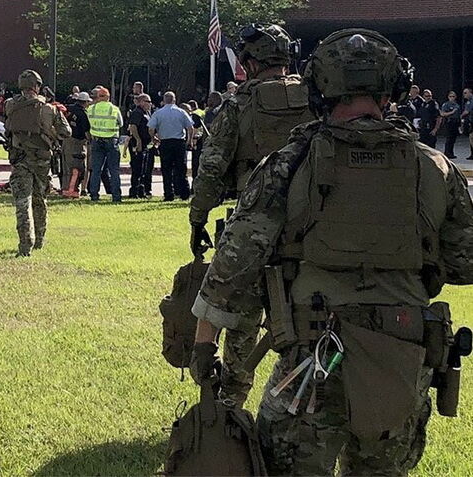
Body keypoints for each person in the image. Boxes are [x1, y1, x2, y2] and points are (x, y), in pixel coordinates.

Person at [190, 29, 473, 475]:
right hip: (401, 358)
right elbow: (463, 263)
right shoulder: (435, 167)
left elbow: (233, 264)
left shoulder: (289, 164)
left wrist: (204, 345)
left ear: (319, 87)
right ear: (393, 89)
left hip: (313, 359)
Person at [188, 24, 313, 406]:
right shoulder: (315, 98)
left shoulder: (239, 104)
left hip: (254, 222)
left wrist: (198, 217)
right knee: (309, 318)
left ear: (251, 62)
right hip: (312, 226)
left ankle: (231, 403)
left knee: (241, 318)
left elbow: (212, 167)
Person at [4, 70, 70, 256]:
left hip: (20, 159)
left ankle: (25, 244)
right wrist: (50, 133)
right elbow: (66, 132)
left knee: (22, 202)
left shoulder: (10, 105)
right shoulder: (49, 109)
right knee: (40, 199)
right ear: (38, 86)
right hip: (42, 160)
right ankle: (40, 239)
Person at [148, 91, 194, 202]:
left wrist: (153, 138)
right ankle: (184, 193)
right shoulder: (181, 112)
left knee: (166, 169)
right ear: (174, 100)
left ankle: (169, 194)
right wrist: (189, 140)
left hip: (165, 143)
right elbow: (190, 127)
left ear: (164, 100)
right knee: (181, 169)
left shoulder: (158, 113)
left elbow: (150, 128)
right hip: (179, 143)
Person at [85, 86, 123, 203]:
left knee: (96, 170)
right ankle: (116, 196)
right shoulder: (114, 109)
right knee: (114, 170)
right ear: (108, 97)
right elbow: (121, 123)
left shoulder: (91, 109)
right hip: (111, 141)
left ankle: (94, 195)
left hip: (96, 141)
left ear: (98, 97)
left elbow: (88, 123)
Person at [60, 91, 90, 197]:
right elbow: (86, 131)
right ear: (85, 102)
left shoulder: (68, 108)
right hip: (78, 142)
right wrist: (90, 141)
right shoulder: (83, 114)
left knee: (66, 167)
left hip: (66, 140)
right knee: (77, 167)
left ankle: (65, 189)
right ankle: (72, 191)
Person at [127, 93, 154, 198]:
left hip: (146, 144)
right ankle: (134, 191)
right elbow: (133, 127)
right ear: (141, 102)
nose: (150, 104)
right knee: (137, 168)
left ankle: (141, 191)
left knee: (143, 168)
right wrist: (138, 140)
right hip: (138, 144)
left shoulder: (146, 113)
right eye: (148, 102)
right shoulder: (137, 112)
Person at [439, 90, 461, 158]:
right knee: (449, 138)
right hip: (449, 122)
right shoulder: (446, 104)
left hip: (455, 122)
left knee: (453, 139)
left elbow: (459, 115)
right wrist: (452, 112)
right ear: (448, 97)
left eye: (453, 96)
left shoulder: (457, 105)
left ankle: (451, 153)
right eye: (450, 96)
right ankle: (447, 153)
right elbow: (443, 114)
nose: (452, 98)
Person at [462, 87, 473, 159]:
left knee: (471, 137)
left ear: (470, 93)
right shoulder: (468, 101)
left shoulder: (470, 101)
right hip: (470, 121)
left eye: (466, 93)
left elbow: (467, 111)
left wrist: (460, 116)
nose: (464, 95)